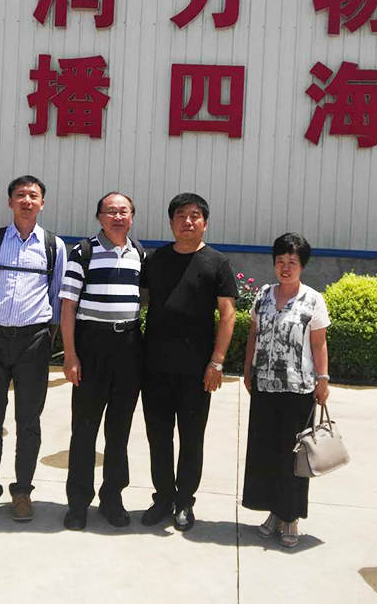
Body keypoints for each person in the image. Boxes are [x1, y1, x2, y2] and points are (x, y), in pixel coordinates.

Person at [0, 175, 66, 522]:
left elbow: (56, 300)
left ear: (42, 204)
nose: (26, 201)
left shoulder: (53, 246)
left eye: (33, 196)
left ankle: (22, 493)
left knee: (28, 422)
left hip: (33, 343)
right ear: (10, 202)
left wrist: (46, 343)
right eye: (20, 195)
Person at [140, 192, 237, 531]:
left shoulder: (217, 262)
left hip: (197, 371)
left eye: (195, 215)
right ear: (171, 222)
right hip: (154, 366)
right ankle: (163, 497)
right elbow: (139, 301)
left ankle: (184, 501)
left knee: (192, 438)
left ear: (205, 223)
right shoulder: (155, 260)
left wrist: (217, 362)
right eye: (180, 215)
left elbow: (228, 314)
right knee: (158, 437)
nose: (187, 221)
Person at [59, 192, 146, 530]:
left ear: (132, 217)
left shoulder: (139, 254)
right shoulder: (83, 252)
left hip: (128, 347)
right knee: (84, 429)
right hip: (91, 345)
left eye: (124, 211)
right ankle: (78, 504)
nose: (118, 217)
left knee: (119, 430)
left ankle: (112, 499)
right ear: (99, 217)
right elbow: (68, 306)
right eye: (111, 211)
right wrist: (70, 355)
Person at [241, 232, 330, 549]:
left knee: (293, 459)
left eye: (292, 261)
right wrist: (248, 370)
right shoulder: (263, 296)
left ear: (302, 265)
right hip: (264, 387)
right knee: (266, 454)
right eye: (280, 261)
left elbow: (318, 344)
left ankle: (291, 517)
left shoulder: (313, 299)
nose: (285, 267)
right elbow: (253, 335)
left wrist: (323, 379)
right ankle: (274, 512)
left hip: (298, 390)